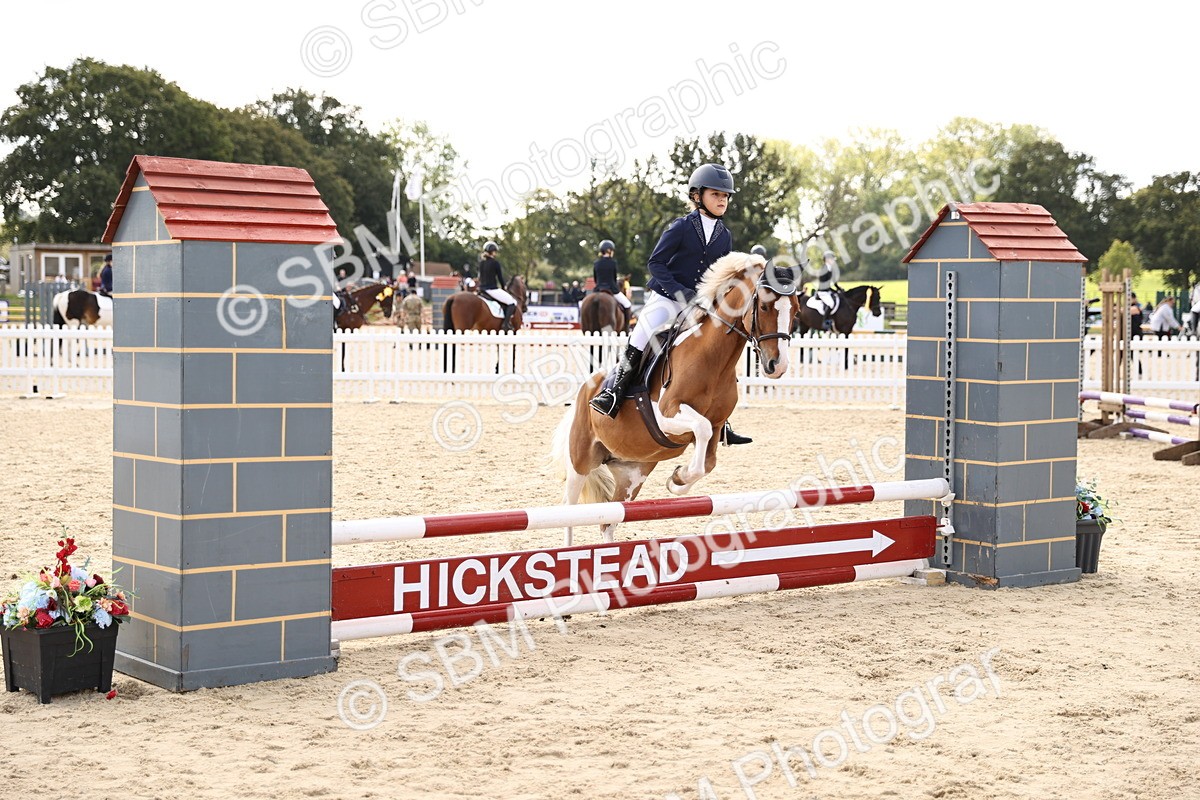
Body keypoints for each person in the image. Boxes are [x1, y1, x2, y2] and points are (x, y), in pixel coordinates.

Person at [589, 162, 751, 445]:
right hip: (667, 298)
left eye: (726, 196)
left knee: (717, 347)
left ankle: (721, 420)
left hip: (700, 304)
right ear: (697, 196)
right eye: (716, 194)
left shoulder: (725, 235)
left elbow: (721, 274)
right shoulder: (681, 227)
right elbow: (656, 263)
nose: (722, 200)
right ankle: (613, 392)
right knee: (641, 335)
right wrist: (680, 292)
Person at [477, 241, 517, 330]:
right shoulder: (495, 263)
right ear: (493, 252)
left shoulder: (481, 263)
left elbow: (480, 277)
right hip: (492, 289)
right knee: (511, 302)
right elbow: (500, 278)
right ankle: (505, 324)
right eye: (495, 251)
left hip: (481, 289)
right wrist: (503, 287)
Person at [593, 239, 632, 329]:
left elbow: (596, 279)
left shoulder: (596, 263)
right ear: (609, 250)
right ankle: (626, 327)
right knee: (627, 304)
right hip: (612, 289)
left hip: (598, 289)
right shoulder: (613, 263)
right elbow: (613, 279)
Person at [806, 250, 840, 317]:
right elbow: (823, 284)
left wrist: (839, 289)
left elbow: (834, 281)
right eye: (832, 259)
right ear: (827, 259)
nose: (833, 261)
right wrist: (833, 290)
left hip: (828, 291)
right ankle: (825, 321)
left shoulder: (831, 269)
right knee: (831, 304)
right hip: (823, 292)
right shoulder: (823, 269)